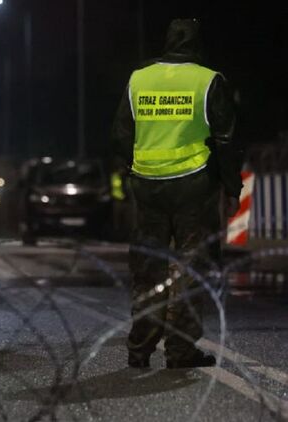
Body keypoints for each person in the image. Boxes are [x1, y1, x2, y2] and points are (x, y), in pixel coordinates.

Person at [111, 18, 243, 369]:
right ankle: (181, 351)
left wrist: (136, 166)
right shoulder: (208, 80)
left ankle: (139, 349)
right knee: (190, 268)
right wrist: (232, 188)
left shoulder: (139, 79)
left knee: (147, 268)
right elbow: (227, 140)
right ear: (198, 45)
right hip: (193, 187)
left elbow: (121, 135)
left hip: (147, 186)